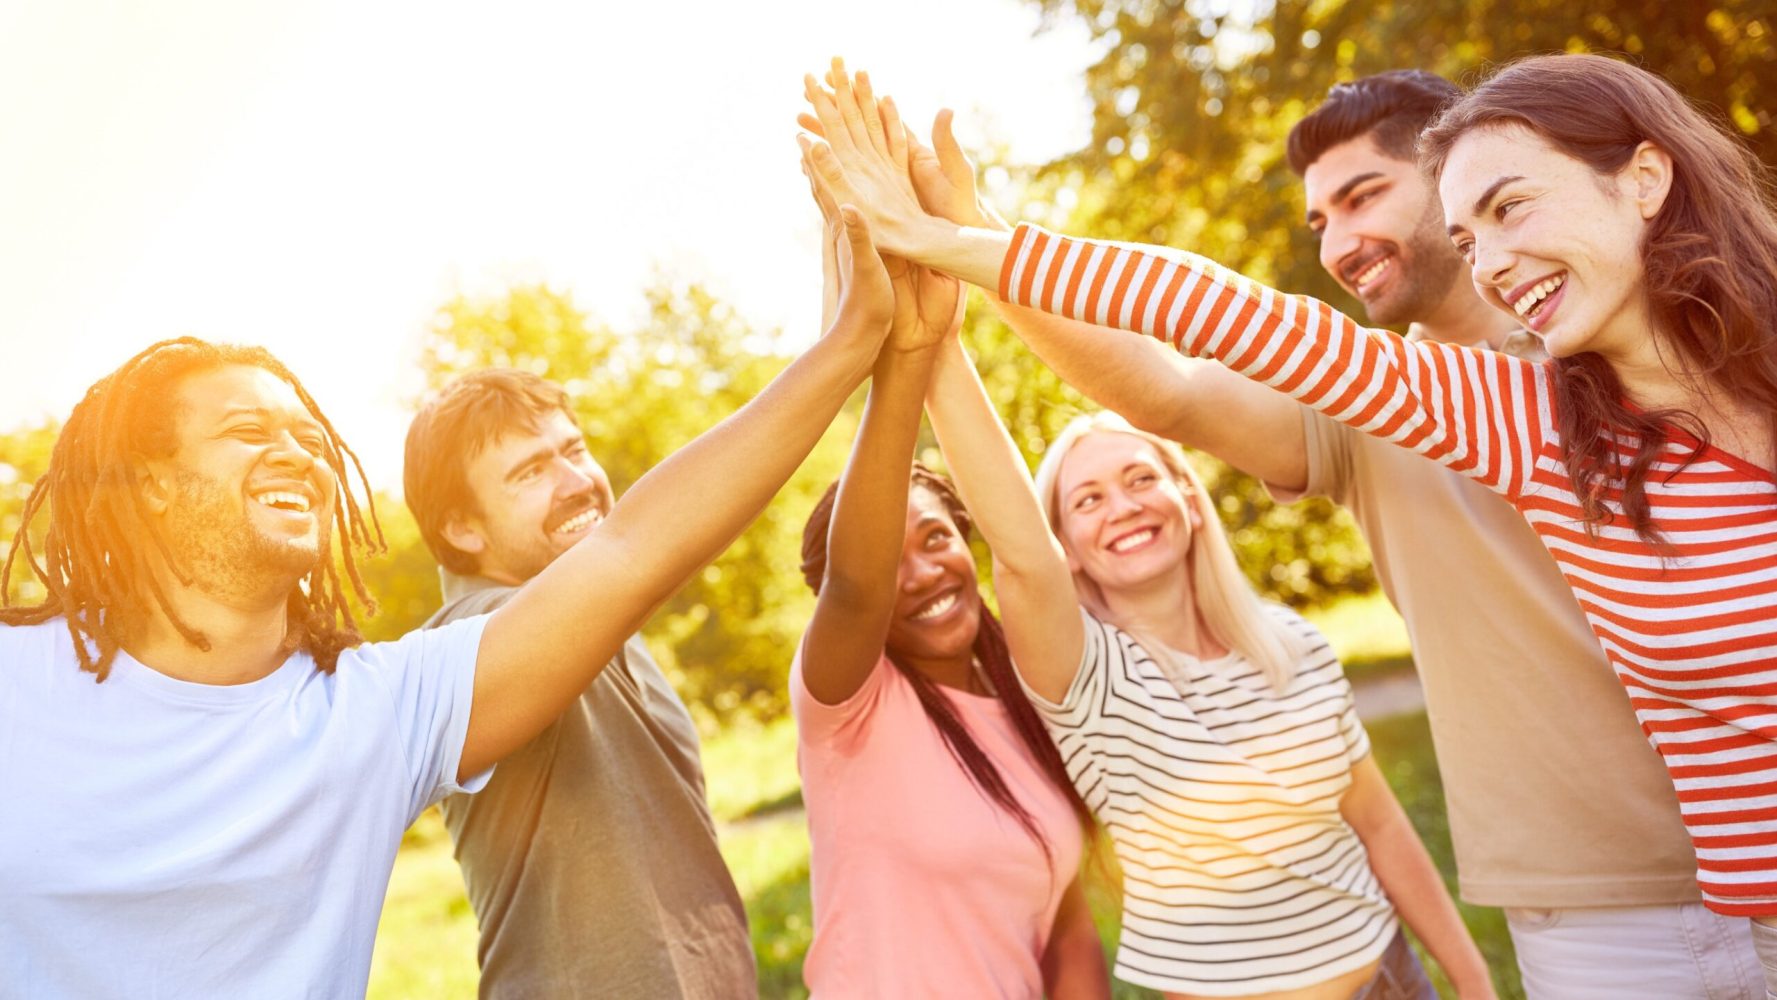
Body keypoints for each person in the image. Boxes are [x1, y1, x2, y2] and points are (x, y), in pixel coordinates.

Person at [799, 51, 1777, 990]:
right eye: (1471, 232)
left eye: (1507, 205)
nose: (1493, 259)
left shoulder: (1681, 384)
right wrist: (966, 245)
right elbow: (1217, 331)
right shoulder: (1508, 414)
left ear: (1645, 176)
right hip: (1598, 914)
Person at [0, 197, 896, 996]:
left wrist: (852, 342)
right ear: (146, 484)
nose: (300, 454)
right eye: (246, 430)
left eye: (311, 437)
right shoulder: (18, 678)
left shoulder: (374, 715)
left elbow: (633, 550)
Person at [790, 136, 1109, 999]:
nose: (924, 572)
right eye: (889, 562)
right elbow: (854, 585)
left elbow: (1067, 923)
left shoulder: (1021, 689)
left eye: (934, 539)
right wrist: (897, 353)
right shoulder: (844, 707)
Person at [402, 367, 755, 998]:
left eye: (574, 449)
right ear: (462, 528)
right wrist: (850, 342)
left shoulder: (606, 620)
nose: (578, 483)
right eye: (530, 472)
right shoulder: (471, 640)